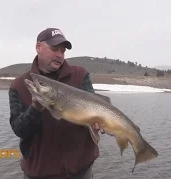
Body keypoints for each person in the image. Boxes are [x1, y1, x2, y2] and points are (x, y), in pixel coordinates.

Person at [8, 28, 105, 179]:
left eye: (63, 51)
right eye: (54, 49)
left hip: (81, 170)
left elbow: (94, 105)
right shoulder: (19, 85)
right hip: (39, 173)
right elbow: (19, 130)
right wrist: (35, 108)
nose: (60, 55)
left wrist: (96, 123)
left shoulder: (80, 75)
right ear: (38, 47)